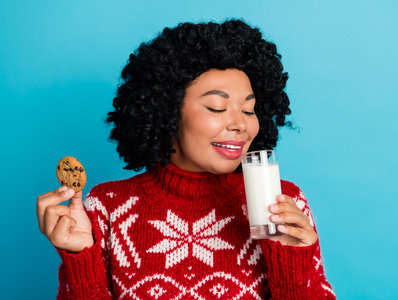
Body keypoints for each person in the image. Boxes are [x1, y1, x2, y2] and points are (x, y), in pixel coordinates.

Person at [36, 19, 335, 299]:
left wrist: (295, 270)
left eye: (248, 110)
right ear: (168, 113)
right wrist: (80, 259)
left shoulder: (284, 203)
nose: (241, 124)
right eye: (217, 107)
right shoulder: (106, 207)